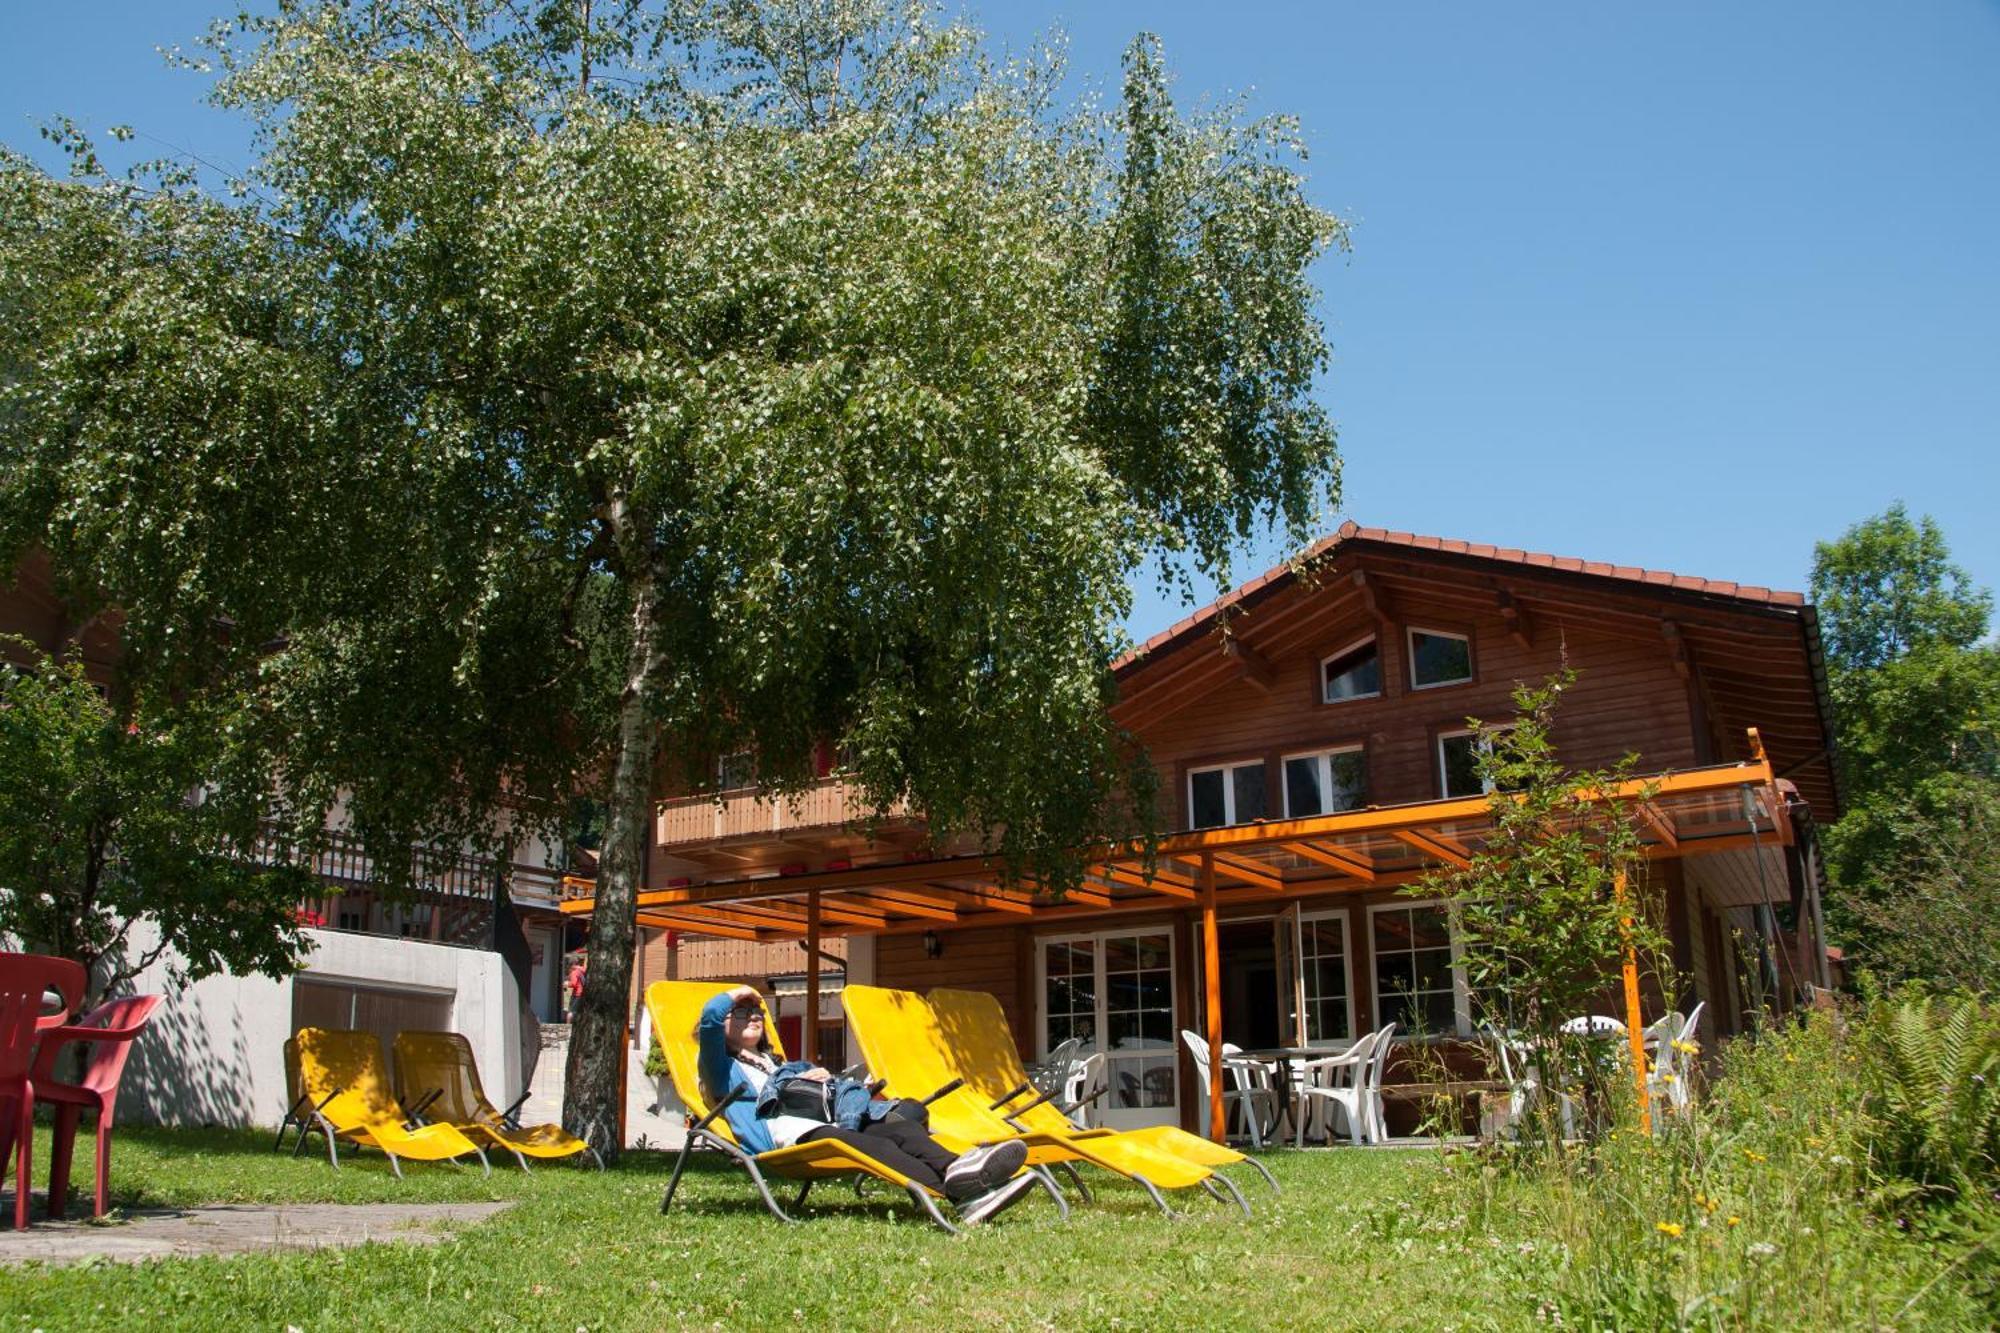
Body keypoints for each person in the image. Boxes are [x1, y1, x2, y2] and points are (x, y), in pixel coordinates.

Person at [697, 984, 1037, 1225]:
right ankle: (961, 1194)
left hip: (825, 1120)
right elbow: (711, 1018)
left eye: (757, 1011)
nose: (754, 1016)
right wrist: (741, 991)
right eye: (741, 1012)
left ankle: (961, 1171)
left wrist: (816, 1076)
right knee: (875, 1146)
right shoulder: (720, 1068)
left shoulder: (774, 1062)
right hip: (788, 1135)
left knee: (902, 1129)